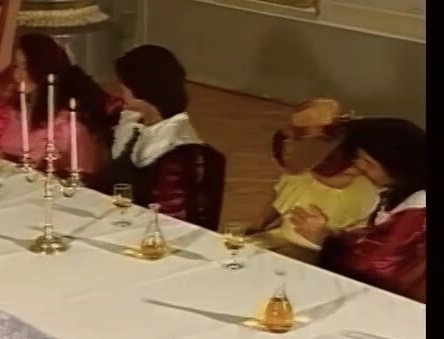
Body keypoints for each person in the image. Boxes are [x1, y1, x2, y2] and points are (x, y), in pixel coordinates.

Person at [292, 117, 426, 302]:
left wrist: (325, 239)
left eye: (369, 163)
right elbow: (378, 240)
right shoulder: (399, 191)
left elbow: (376, 265)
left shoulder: (419, 211)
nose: (361, 166)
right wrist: (329, 234)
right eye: (359, 158)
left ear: (399, 169)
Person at [96, 45, 225, 226]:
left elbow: (172, 220)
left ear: (141, 90)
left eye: (123, 86)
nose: (120, 91)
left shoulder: (178, 152)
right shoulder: (136, 125)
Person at [0, 33, 114, 177]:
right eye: (16, 66)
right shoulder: (8, 109)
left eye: (26, 67)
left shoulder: (69, 127)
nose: (17, 74)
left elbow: (85, 178)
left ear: (42, 71)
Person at [248, 99, 378, 263]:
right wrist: (257, 226)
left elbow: (358, 243)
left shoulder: (362, 189)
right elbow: (279, 197)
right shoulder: (301, 173)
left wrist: (325, 234)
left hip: (321, 253)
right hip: (280, 238)